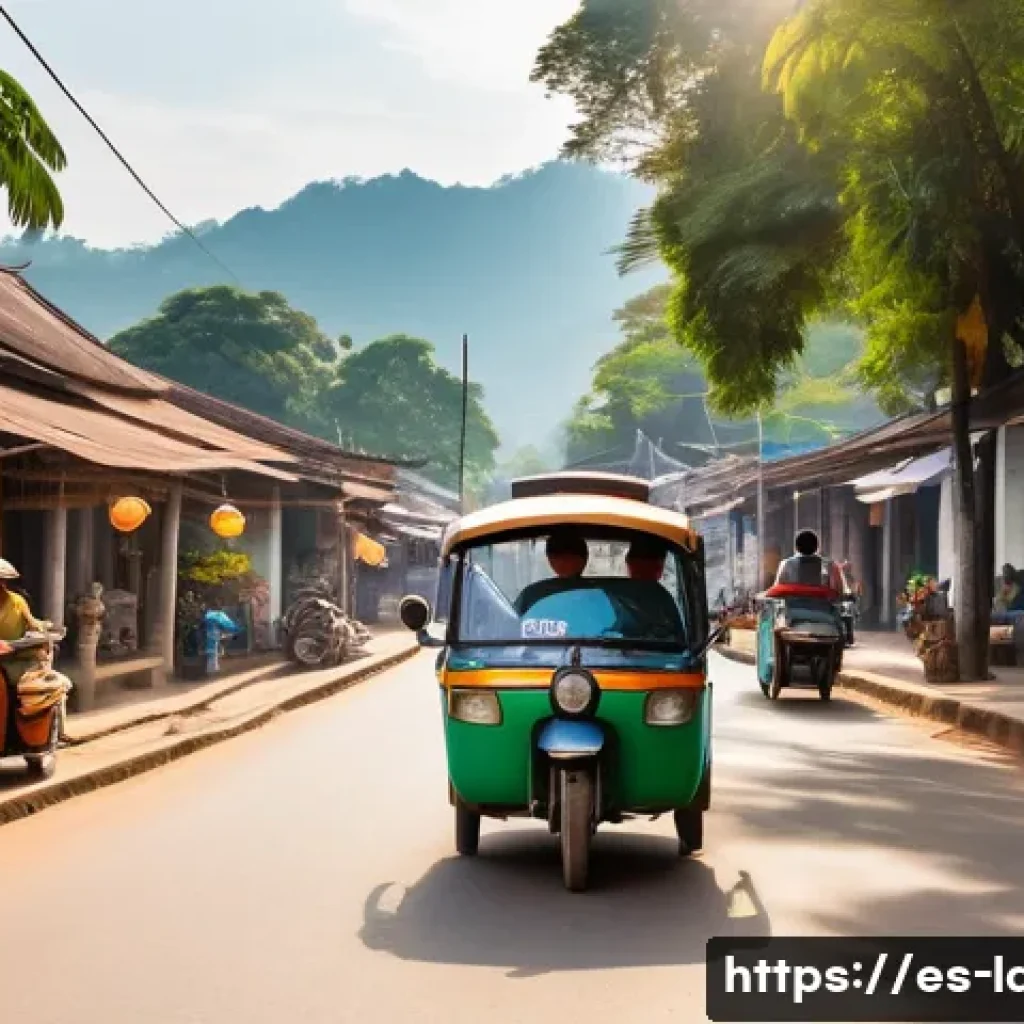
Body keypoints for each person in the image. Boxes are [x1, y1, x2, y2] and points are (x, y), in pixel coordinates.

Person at [773, 529, 844, 596]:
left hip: (793, 607)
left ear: (796, 547)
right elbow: (839, 591)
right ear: (817, 547)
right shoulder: (829, 565)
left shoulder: (786, 564)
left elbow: (778, 589)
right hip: (822, 607)